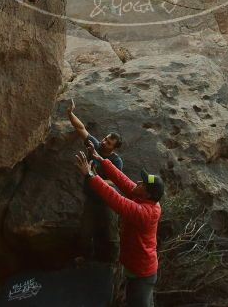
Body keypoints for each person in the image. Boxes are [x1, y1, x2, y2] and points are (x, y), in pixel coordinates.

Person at [73, 145, 164, 307]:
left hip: (142, 273)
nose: (138, 182)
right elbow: (123, 181)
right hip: (136, 268)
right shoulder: (145, 199)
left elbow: (116, 199)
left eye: (143, 183)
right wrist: (103, 161)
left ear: (148, 194)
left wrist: (90, 175)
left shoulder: (145, 213)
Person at [67, 99, 124, 263]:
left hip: (108, 202)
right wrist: (70, 113)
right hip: (91, 200)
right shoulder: (96, 146)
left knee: (111, 235)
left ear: (114, 148)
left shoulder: (116, 161)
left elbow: (116, 181)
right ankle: (86, 258)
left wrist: (93, 175)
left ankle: (113, 263)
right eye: (105, 139)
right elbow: (81, 128)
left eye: (109, 142)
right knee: (85, 232)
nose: (104, 142)